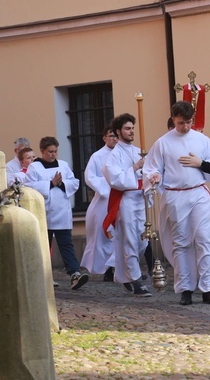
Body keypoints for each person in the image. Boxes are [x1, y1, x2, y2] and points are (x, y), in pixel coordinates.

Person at [143, 101, 210, 306]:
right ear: (173, 120)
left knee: (205, 239)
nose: (185, 127)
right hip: (175, 196)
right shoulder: (163, 143)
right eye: (181, 123)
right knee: (181, 242)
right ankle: (185, 288)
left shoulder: (202, 140)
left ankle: (209, 288)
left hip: (198, 193)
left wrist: (201, 164)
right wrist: (154, 177)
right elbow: (152, 167)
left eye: (188, 122)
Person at [26, 136, 89, 291]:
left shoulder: (63, 165)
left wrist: (61, 184)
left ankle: (75, 273)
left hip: (61, 212)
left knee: (66, 244)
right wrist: (49, 183)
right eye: (50, 152)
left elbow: (74, 182)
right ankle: (42, 276)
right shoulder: (35, 167)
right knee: (43, 246)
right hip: (44, 213)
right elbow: (28, 186)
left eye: (55, 151)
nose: (53, 154)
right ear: (42, 151)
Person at [102, 114, 152, 297]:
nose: (131, 131)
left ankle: (124, 274)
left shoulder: (139, 150)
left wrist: (151, 178)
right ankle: (136, 281)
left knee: (142, 241)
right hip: (126, 200)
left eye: (132, 128)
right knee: (130, 239)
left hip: (140, 198)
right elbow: (115, 178)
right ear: (118, 131)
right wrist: (135, 168)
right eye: (127, 128)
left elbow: (147, 172)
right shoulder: (113, 155)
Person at [80, 127, 117, 282]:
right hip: (104, 199)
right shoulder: (97, 156)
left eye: (116, 136)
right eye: (111, 136)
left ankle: (117, 267)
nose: (114, 139)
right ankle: (105, 268)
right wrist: (105, 188)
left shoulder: (122, 153)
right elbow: (90, 177)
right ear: (104, 138)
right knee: (104, 235)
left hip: (120, 199)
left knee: (119, 235)